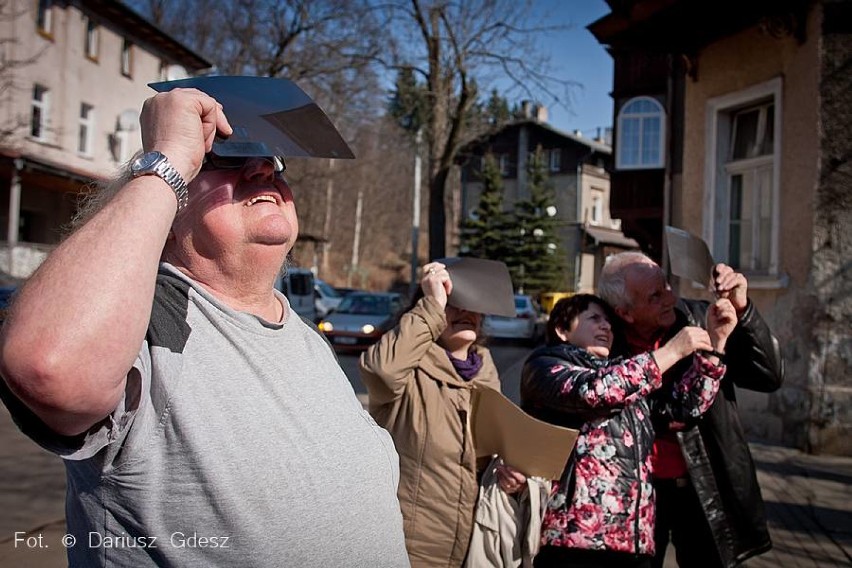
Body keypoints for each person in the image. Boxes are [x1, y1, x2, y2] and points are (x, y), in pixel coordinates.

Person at [0, 81, 409, 567]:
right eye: (224, 158)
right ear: (167, 205)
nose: (264, 168)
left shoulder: (300, 333)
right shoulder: (150, 318)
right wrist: (166, 157)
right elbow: (50, 367)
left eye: (276, 163)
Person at [597, 251, 784, 568]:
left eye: (667, 285)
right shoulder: (605, 343)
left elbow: (768, 376)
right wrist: (673, 353)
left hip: (703, 487)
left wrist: (744, 309)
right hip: (635, 492)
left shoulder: (700, 318)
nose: (671, 297)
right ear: (625, 313)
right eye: (655, 296)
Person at [519, 293, 735, 568]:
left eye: (608, 321)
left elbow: (684, 409)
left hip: (633, 542)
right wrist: (671, 351)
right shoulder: (543, 366)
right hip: (574, 540)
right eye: (594, 318)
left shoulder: (627, 376)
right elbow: (595, 391)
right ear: (562, 330)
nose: (606, 327)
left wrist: (716, 344)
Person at [360, 259, 508, 567]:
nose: (465, 312)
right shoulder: (407, 370)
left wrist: (509, 477)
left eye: (472, 305)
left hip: (473, 549)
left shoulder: (488, 379)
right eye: (453, 304)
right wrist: (432, 305)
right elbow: (380, 371)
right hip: (409, 551)